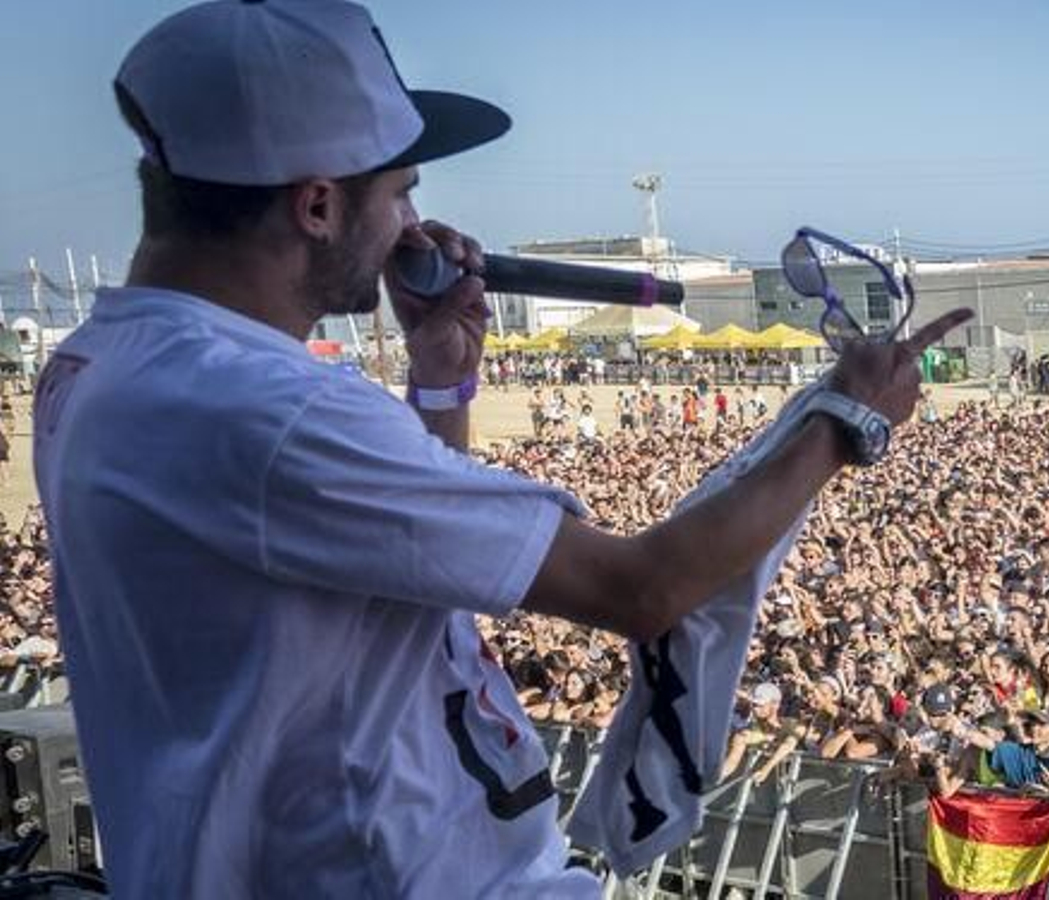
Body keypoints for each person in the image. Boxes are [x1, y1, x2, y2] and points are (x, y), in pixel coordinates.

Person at [34, 2, 971, 896]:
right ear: (317, 205)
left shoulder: (100, 368)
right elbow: (640, 590)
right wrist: (849, 419)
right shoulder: (268, 408)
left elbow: (381, 569)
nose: (414, 224)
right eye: (401, 192)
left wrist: (440, 380)